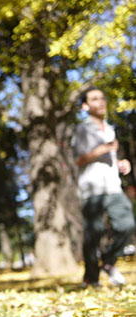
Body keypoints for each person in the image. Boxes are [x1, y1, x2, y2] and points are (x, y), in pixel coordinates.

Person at [72, 86, 135, 287]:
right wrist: (103, 149)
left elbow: (110, 156)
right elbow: (79, 160)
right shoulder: (82, 129)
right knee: (93, 235)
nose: (100, 102)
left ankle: (108, 262)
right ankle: (91, 278)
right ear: (85, 106)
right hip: (92, 189)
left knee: (127, 225)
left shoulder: (109, 128)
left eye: (102, 98)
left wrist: (121, 163)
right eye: (94, 99)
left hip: (113, 187)